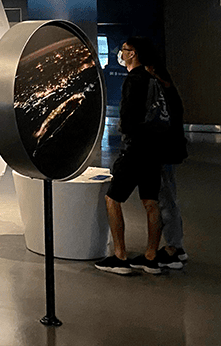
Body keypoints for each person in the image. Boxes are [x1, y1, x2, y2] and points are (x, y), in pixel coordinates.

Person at [94, 36, 167, 275]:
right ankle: (151, 256)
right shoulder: (152, 79)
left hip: (136, 148)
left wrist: (126, 135)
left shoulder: (134, 80)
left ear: (133, 53)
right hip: (154, 148)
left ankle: (120, 256)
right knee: (151, 201)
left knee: (113, 198)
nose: (121, 53)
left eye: (124, 50)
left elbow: (128, 117)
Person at [153, 64, 189, 269]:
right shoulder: (171, 95)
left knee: (166, 199)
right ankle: (176, 246)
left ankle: (173, 248)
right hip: (168, 152)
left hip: (163, 152)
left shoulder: (164, 99)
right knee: (168, 197)